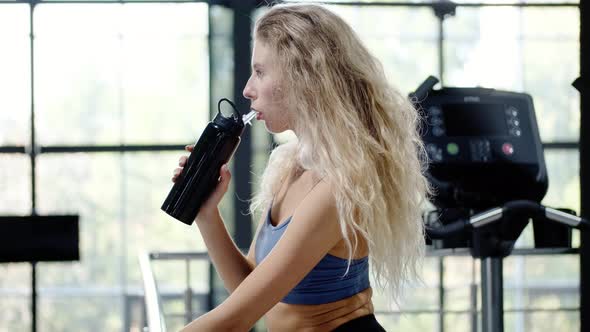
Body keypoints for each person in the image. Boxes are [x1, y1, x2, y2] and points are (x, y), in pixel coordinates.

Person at [172, 3, 430, 331]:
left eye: (260, 72)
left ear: (303, 78)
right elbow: (250, 290)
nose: (247, 89)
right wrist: (207, 213)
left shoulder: (339, 188)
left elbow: (238, 318)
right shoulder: (292, 167)